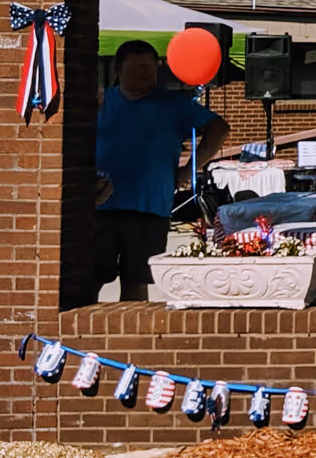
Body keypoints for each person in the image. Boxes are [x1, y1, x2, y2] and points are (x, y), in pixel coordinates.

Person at [93, 39, 229, 302]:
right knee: (91, 278)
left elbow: (219, 128)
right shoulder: (102, 101)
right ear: (118, 70)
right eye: (137, 68)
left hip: (150, 209)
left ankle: (129, 338)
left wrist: (190, 169)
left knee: (136, 282)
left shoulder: (175, 104)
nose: (145, 73)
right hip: (100, 209)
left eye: (150, 68)